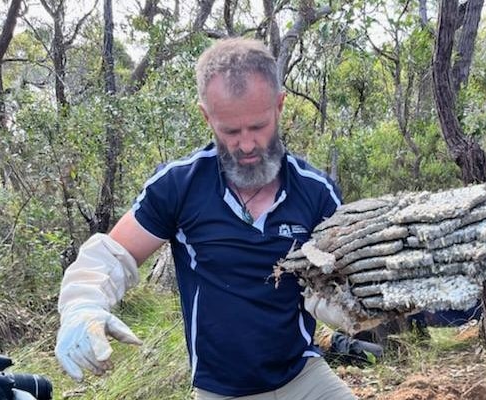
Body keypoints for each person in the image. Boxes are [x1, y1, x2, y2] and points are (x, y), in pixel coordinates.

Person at [54, 38, 358, 399]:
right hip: (222, 389)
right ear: (206, 116)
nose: (246, 145)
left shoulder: (317, 191)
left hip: (302, 374)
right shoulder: (178, 186)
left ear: (279, 107)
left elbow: (340, 279)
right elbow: (112, 255)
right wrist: (82, 305)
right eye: (230, 131)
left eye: (258, 127)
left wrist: (351, 304)